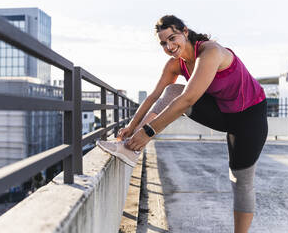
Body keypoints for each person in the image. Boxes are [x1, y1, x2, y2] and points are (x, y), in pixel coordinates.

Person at [97, 15, 267, 233]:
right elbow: (154, 96)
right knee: (171, 91)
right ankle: (129, 148)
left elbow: (188, 99)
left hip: (249, 116)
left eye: (172, 38)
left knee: (240, 182)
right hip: (222, 112)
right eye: (163, 43)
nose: (169, 46)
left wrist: (149, 131)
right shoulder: (174, 65)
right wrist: (132, 125)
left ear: (185, 32)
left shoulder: (211, 52)